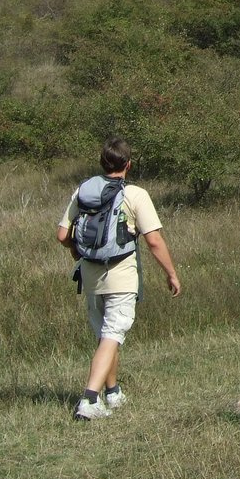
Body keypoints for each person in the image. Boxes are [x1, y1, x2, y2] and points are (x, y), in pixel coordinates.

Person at [57, 137, 181, 421]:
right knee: (113, 334)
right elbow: (154, 241)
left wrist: (80, 251)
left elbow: (62, 235)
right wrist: (171, 274)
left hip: (90, 275)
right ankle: (89, 399)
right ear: (128, 164)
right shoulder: (135, 194)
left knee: (105, 336)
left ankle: (112, 392)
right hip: (122, 275)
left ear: (102, 163)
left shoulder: (83, 191)